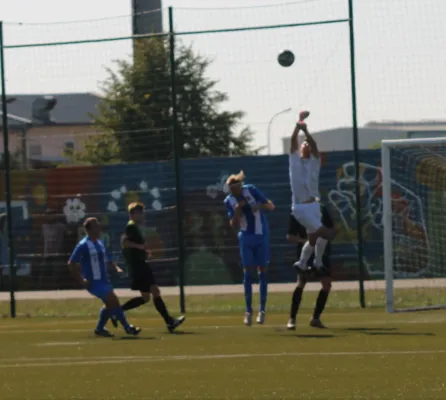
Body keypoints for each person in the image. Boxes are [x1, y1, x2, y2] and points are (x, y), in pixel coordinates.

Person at [117, 202, 185, 333]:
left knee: (146, 297)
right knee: (155, 292)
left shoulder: (135, 227)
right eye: (140, 212)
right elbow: (124, 243)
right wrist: (140, 247)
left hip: (140, 264)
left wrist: (144, 250)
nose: (142, 215)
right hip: (139, 265)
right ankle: (169, 322)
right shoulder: (131, 226)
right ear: (133, 214)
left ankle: (117, 311)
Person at [67, 217, 141, 337]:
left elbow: (109, 258)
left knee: (110, 304)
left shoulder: (100, 243)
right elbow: (71, 263)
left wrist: (117, 268)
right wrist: (82, 280)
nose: (99, 228)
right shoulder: (83, 245)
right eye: (96, 226)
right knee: (114, 301)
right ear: (89, 230)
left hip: (104, 280)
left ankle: (100, 329)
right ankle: (128, 328)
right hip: (93, 282)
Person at [224, 171, 275, 326]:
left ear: (240, 186)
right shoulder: (229, 201)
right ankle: (248, 311)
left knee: (263, 272)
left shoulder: (251, 190)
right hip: (246, 237)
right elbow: (233, 225)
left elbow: (271, 206)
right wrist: (238, 210)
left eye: (236, 188)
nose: (235, 192)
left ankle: (262, 310)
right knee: (247, 274)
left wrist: (257, 205)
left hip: (261, 235)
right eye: (231, 190)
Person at [289, 110, 335, 272]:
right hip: (300, 208)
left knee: (314, 238)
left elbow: (314, 146)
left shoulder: (314, 162)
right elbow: (293, 141)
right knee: (325, 233)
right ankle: (316, 262)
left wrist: (306, 132)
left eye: (307, 143)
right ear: (300, 149)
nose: (306, 144)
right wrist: (298, 127)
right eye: (304, 144)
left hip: (314, 205)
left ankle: (303, 263)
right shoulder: (294, 161)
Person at [286, 204, 335, 330]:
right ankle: (292, 319)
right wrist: (307, 242)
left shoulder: (321, 208)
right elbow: (290, 236)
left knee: (326, 284)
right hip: (305, 252)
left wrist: (322, 235)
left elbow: (332, 229)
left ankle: (315, 318)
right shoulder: (297, 212)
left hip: (322, 251)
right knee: (301, 282)